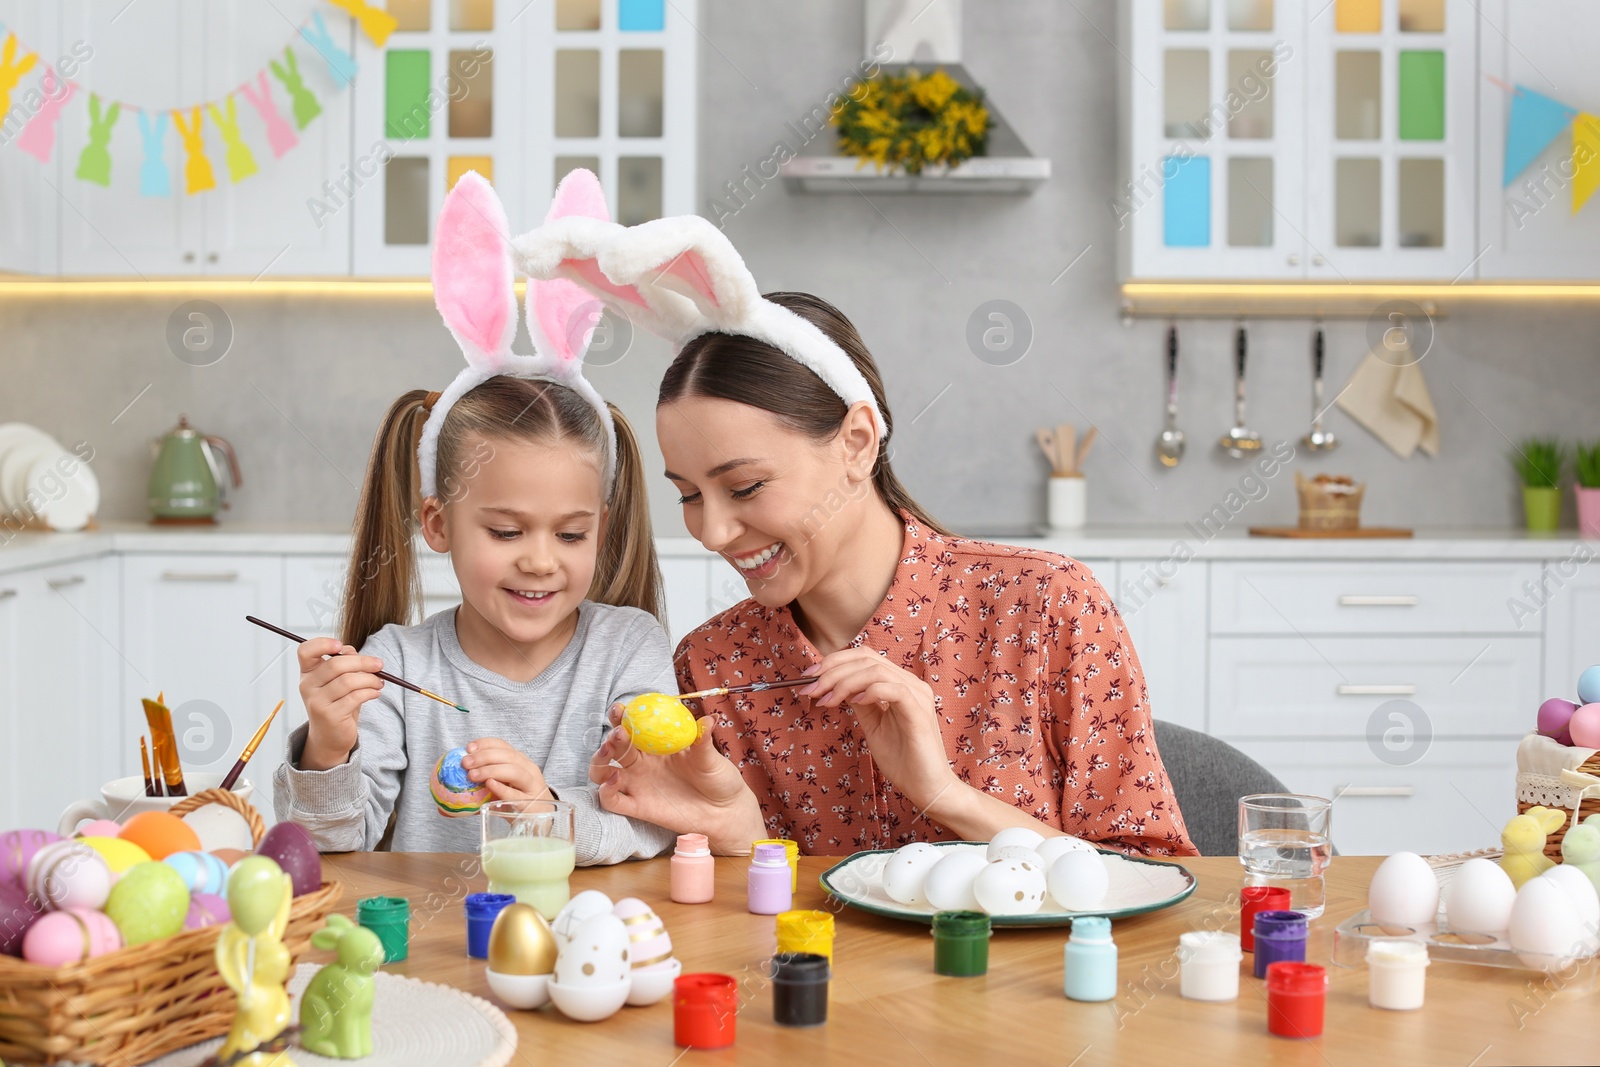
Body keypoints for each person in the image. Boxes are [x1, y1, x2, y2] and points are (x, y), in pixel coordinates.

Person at [515, 196, 1198, 858]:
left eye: (745, 486)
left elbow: (1156, 885)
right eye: (690, 495)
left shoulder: (1048, 609)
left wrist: (945, 794)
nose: (715, 531)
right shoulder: (712, 670)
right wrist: (734, 837)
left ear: (857, 442)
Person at [274, 171, 676, 863]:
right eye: (506, 531)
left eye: (571, 533)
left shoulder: (628, 649)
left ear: (602, 529)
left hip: (592, 953)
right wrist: (327, 744)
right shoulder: (398, 662)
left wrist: (548, 810)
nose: (541, 559)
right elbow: (329, 848)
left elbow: (658, 815)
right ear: (437, 524)